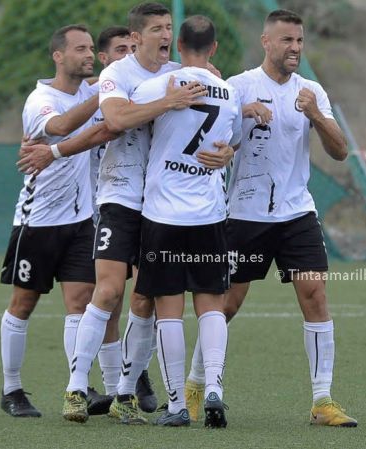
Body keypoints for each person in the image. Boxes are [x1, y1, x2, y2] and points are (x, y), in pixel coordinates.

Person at [29, 2, 208, 424]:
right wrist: (167, 103)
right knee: (108, 292)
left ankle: (124, 392)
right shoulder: (117, 76)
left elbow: (215, 110)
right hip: (120, 198)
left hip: (163, 206)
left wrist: (234, 132)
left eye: (169, 28)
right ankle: (75, 388)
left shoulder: (178, 76)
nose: (166, 35)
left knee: (145, 297)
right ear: (137, 38)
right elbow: (114, 120)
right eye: (158, 29)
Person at [184, 9, 357, 428]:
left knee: (314, 294)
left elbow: (340, 151)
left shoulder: (311, 91)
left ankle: (322, 401)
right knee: (227, 304)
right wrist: (242, 118)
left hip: (297, 212)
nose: (295, 48)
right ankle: (195, 385)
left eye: (299, 40)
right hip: (246, 213)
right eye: (287, 41)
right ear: (266, 42)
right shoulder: (239, 87)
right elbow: (218, 148)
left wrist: (315, 113)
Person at [130, 14, 240, 427]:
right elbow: (228, 142)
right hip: (209, 215)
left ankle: (176, 404)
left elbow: (125, 113)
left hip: (162, 214)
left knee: (168, 311)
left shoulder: (160, 85)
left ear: (178, 46)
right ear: (213, 48)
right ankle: (213, 388)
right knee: (211, 305)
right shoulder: (228, 92)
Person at [0, 24, 99, 418]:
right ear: (58, 56)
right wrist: (102, 95)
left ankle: (78, 386)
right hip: (38, 221)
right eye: (80, 49)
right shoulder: (40, 98)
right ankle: (11, 389)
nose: (89, 55)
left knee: (80, 302)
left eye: (91, 48)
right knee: (24, 303)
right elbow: (59, 128)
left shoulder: (93, 91)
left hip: (82, 219)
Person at [77, 25, 138, 416]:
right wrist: (49, 147)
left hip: (153, 207)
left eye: (133, 47)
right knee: (110, 296)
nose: (128, 54)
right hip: (107, 205)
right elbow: (76, 129)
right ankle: (106, 386)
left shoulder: (152, 82)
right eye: (120, 49)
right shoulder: (99, 95)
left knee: (146, 297)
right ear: (104, 58)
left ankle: (131, 383)